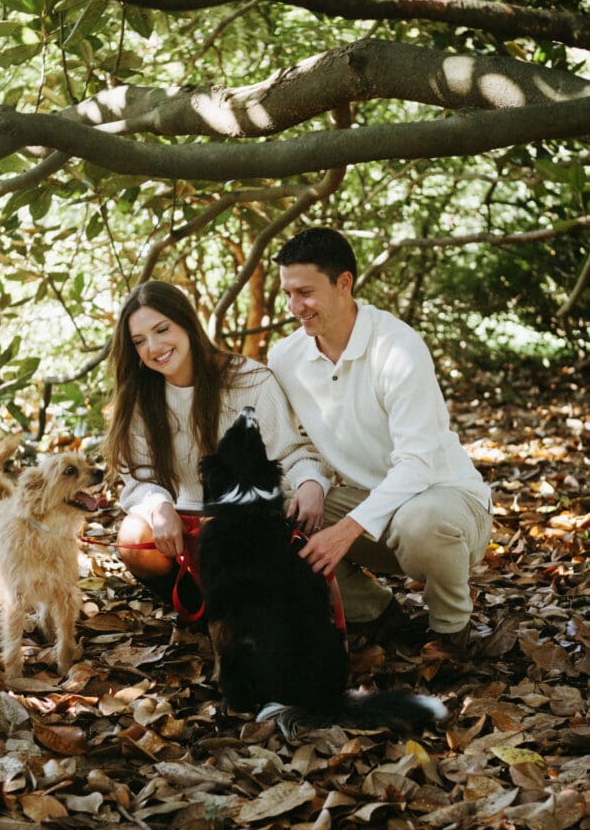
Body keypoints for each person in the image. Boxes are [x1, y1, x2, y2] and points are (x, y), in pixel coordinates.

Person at [268, 227, 492, 652]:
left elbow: (418, 465)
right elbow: (298, 445)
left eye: (305, 293)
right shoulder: (285, 357)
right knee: (277, 510)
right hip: (368, 508)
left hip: (446, 506)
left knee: (420, 520)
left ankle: (450, 631)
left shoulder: (398, 348)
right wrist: (311, 482)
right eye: (287, 294)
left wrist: (346, 530)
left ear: (344, 283)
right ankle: (375, 612)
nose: (295, 308)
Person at [103, 280, 329, 606]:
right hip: (182, 527)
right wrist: (158, 508)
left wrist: (310, 482)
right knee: (133, 538)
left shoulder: (248, 379)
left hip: (247, 525)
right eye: (139, 341)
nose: (153, 347)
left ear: (186, 323)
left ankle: (244, 615)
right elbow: (140, 478)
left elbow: (291, 451)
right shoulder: (139, 398)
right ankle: (200, 614)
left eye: (162, 329)